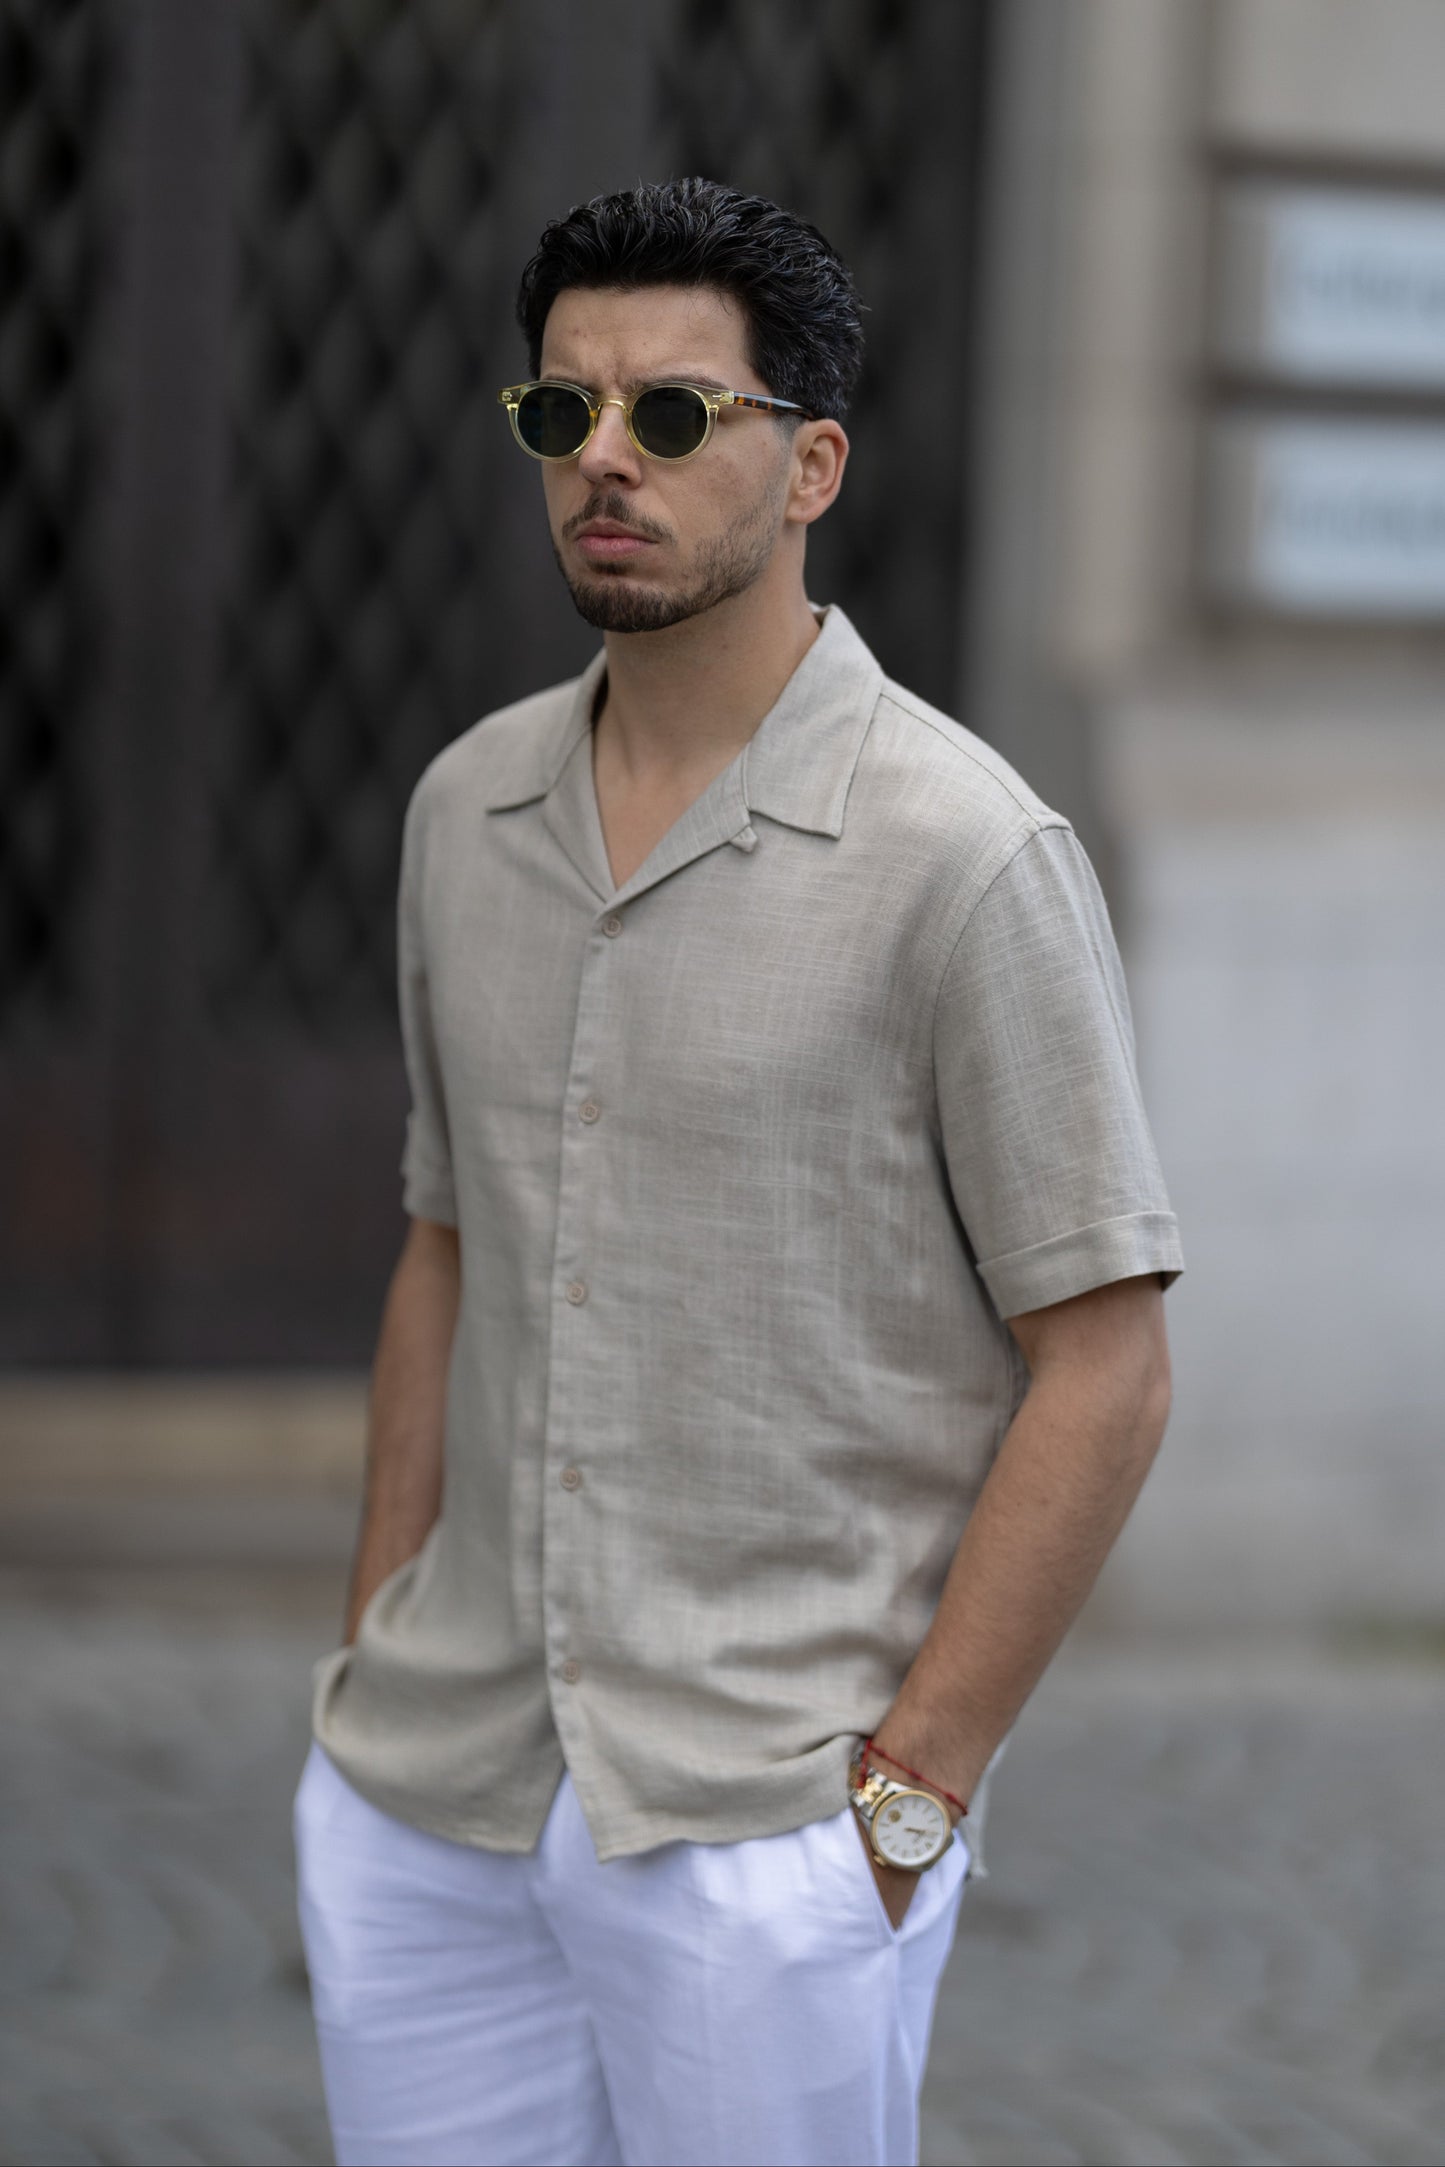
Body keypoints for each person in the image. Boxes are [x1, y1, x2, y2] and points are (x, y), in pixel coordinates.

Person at [292, 177, 1183, 2167]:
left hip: (766, 1827)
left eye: (675, 413)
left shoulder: (968, 855)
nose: (605, 459)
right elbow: (447, 1245)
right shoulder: (463, 809)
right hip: (430, 1794)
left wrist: (908, 1799)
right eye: (563, 412)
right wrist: (370, 1647)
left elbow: (1108, 1365)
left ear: (812, 467)